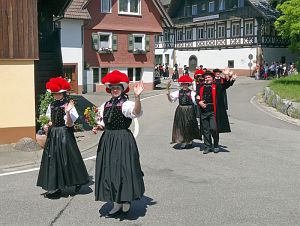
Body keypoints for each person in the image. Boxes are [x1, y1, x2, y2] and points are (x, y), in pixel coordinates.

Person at [93, 70, 145, 215]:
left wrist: (138, 97)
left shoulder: (126, 103)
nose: (115, 89)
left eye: (118, 87)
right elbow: (104, 122)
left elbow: (136, 112)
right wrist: (99, 126)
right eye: (113, 87)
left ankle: (126, 199)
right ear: (109, 89)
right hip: (108, 140)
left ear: (122, 89)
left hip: (122, 139)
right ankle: (116, 202)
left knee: (124, 169)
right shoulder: (105, 105)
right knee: (110, 169)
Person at [37, 77, 89, 198]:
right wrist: (46, 125)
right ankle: (56, 186)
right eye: (55, 93)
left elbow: (70, 124)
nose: (57, 96)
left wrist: (67, 112)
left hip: (65, 134)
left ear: (63, 93)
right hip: (53, 134)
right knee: (53, 159)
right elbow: (50, 121)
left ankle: (77, 181)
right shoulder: (51, 105)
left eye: (59, 93)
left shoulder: (68, 105)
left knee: (69, 158)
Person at [197, 70, 236, 154]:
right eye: (206, 77)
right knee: (205, 130)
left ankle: (215, 144)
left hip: (213, 112)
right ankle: (207, 146)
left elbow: (226, 84)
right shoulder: (201, 87)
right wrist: (199, 102)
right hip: (203, 112)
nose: (207, 79)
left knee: (214, 128)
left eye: (209, 77)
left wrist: (226, 75)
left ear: (212, 78)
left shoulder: (217, 86)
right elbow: (197, 96)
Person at [167, 75, 200, 149]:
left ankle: (189, 140)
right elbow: (171, 100)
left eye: (186, 84)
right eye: (183, 84)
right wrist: (168, 96)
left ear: (188, 85)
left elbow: (195, 102)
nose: (184, 85)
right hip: (180, 110)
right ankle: (183, 140)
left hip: (189, 110)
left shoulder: (192, 93)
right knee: (181, 125)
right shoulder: (178, 92)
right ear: (181, 85)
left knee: (188, 125)